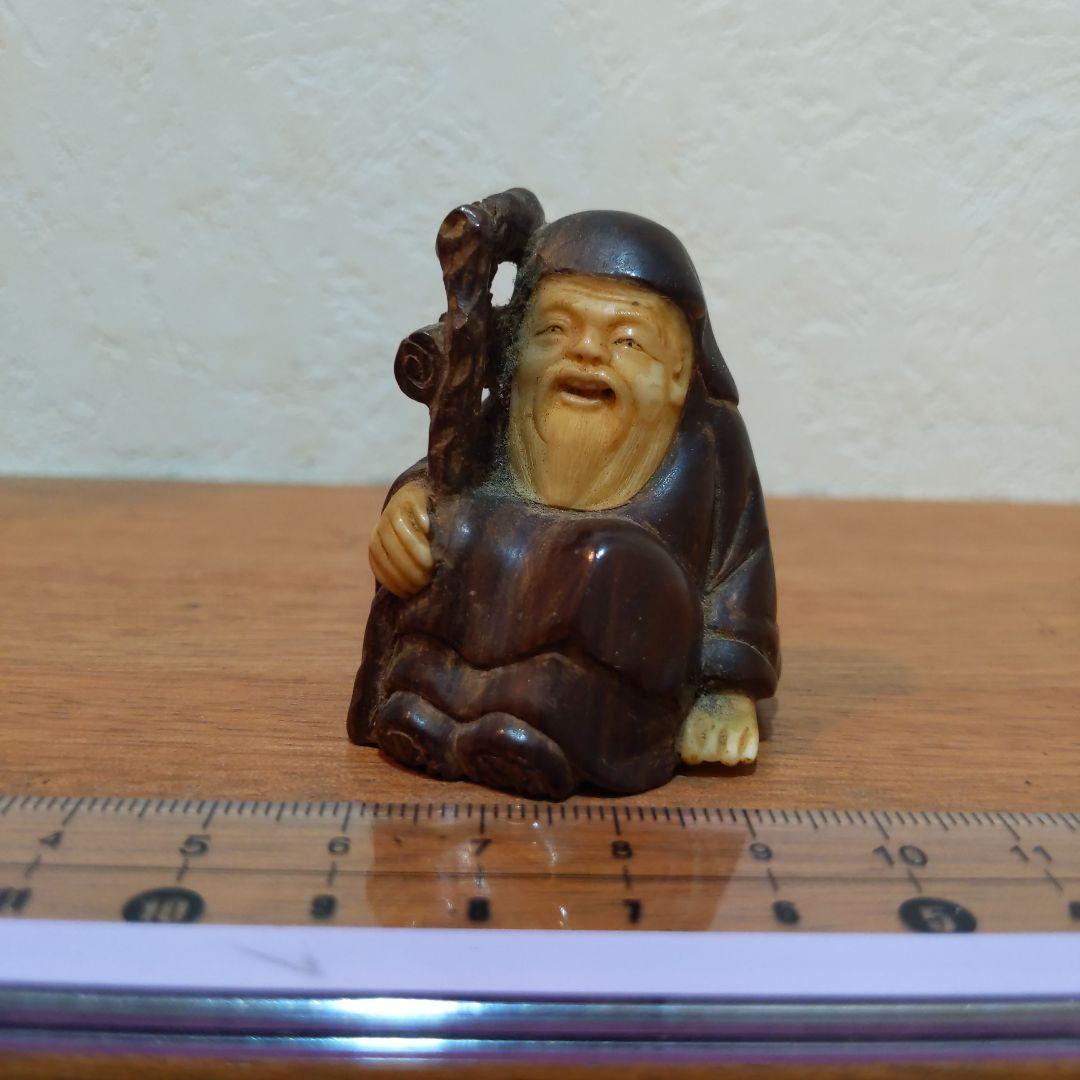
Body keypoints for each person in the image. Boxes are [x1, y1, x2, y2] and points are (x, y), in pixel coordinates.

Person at [348, 210, 780, 799]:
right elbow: (450, 477)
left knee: (606, 563)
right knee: (451, 531)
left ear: (679, 374)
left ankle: (528, 731)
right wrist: (411, 510)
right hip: (482, 628)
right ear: (516, 351)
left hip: (606, 669)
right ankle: (429, 708)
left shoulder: (710, 445)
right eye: (554, 331)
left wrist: (724, 693)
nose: (586, 353)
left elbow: (739, 569)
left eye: (627, 341)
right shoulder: (510, 411)